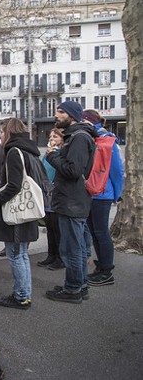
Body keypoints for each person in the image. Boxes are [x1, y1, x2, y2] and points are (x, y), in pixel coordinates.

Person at [45, 100, 97, 304]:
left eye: (60, 112)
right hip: (74, 200)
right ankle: (79, 285)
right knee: (75, 246)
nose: (56, 115)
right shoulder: (79, 136)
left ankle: (73, 289)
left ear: (72, 116)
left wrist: (52, 156)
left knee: (72, 248)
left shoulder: (79, 137)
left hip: (72, 201)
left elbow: (73, 170)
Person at [0, 118, 41, 310]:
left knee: (15, 255)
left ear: (9, 132)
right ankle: (24, 294)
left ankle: (21, 296)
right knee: (22, 255)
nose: (0, 136)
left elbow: (14, 185)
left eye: (2, 132)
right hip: (26, 213)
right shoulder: (29, 150)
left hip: (16, 215)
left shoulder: (13, 152)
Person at [81, 109, 124, 286]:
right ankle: (102, 268)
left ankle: (107, 271)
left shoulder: (106, 140)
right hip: (96, 192)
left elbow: (117, 171)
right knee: (95, 232)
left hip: (102, 193)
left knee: (100, 232)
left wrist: (118, 194)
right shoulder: (95, 138)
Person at [38, 128, 65, 270]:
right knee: (49, 226)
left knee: (56, 227)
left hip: (55, 192)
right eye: (50, 136)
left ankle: (60, 257)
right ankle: (51, 254)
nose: (51, 139)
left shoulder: (61, 154)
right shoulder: (48, 154)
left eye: (55, 136)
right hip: (46, 191)